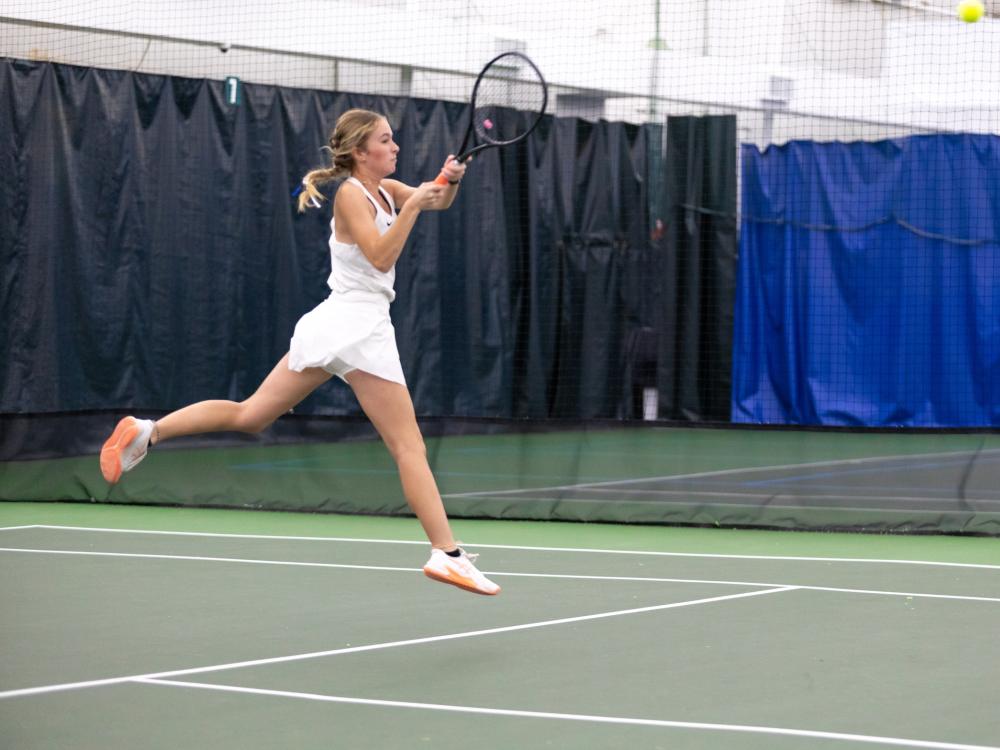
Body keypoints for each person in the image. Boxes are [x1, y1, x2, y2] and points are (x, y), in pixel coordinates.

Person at [99, 108, 499, 596]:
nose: (395, 148)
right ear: (360, 152)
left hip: (335, 325)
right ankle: (447, 553)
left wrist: (449, 179)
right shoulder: (352, 195)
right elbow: (381, 255)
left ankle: (148, 430)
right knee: (407, 445)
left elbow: (435, 199)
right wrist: (415, 206)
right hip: (358, 327)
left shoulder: (385, 190)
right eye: (386, 140)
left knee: (250, 416)